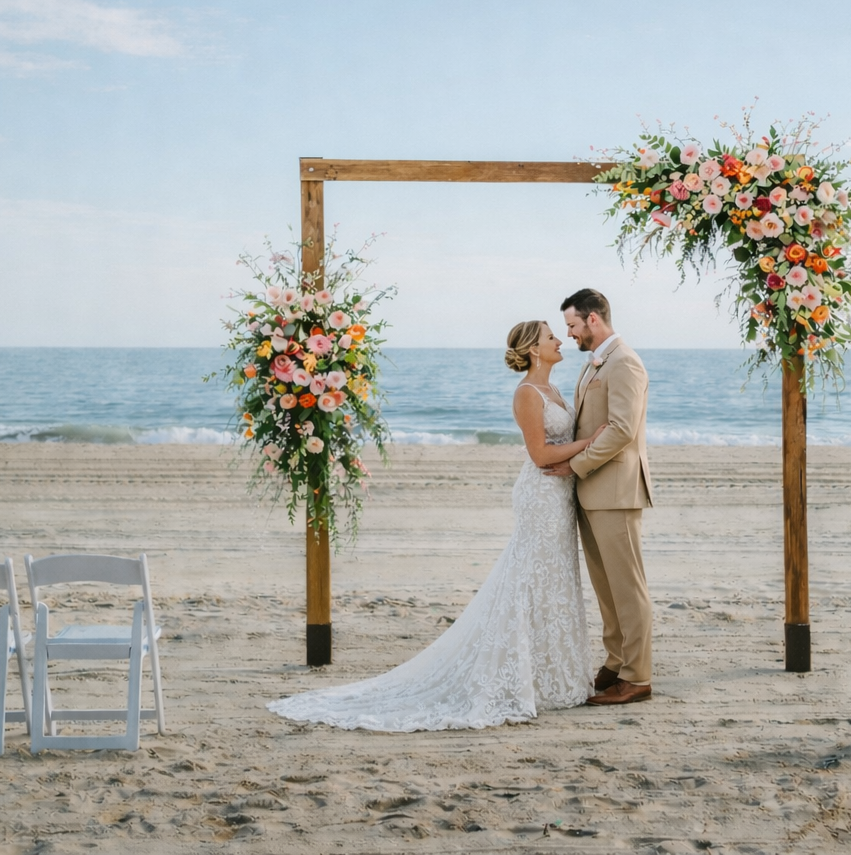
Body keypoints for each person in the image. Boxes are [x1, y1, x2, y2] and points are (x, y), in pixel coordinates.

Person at [267, 320, 601, 731]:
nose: (559, 340)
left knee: (555, 580)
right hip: (540, 497)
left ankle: (554, 678)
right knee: (530, 580)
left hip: (559, 499)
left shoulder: (554, 390)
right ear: (534, 349)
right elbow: (538, 454)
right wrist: (591, 443)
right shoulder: (528, 394)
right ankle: (522, 678)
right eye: (551, 336)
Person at [549, 288, 655, 705]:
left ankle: (637, 677)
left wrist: (575, 465)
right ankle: (616, 662)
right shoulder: (596, 363)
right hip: (593, 492)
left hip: (615, 490)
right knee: (606, 588)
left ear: (593, 319)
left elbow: (621, 429)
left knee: (628, 588)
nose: (570, 335)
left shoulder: (624, 361)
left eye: (572, 325)